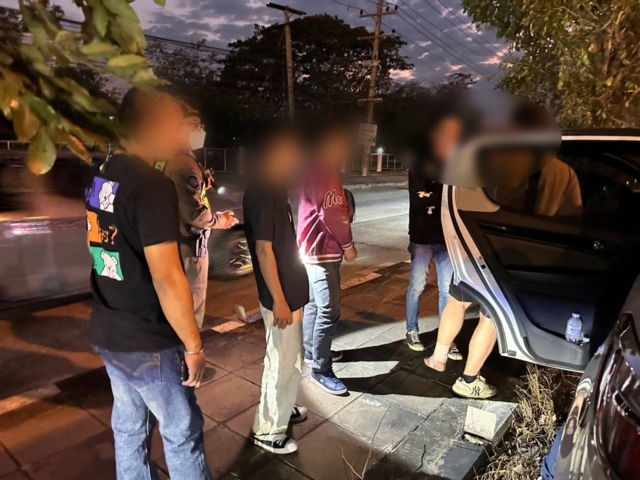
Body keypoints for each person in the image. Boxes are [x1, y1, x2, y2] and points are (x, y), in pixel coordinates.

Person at [86, 88, 211, 479]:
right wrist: (193, 346)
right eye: (173, 126)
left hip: (110, 329)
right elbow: (167, 276)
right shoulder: (152, 185)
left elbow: (102, 248)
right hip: (149, 338)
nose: (178, 135)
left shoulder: (102, 174)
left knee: (129, 429)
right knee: (182, 433)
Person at [243, 125, 309, 455]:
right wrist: (280, 300)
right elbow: (263, 250)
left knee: (291, 358)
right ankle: (269, 429)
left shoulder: (275, 186)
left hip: (292, 291)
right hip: (281, 296)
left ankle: (284, 405)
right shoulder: (261, 191)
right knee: (281, 361)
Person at [160, 112, 237, 328]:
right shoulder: (184, 165)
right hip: (189, 245)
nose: (200, 130)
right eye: (194, 125)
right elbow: (193, 213)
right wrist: (222, 220)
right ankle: (190, 346)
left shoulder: (167, 158)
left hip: (173, 240)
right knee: (191, 303)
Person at [297, 125, 357, 395]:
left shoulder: (315, 169)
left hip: (312, 251)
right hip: (322, 252)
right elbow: (332, 214)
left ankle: (312, 352)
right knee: (329, 310)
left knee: (314, 304)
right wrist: (348, 245)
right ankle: (321, 369)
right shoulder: (324, 172)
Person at [405, 115, 459, 359]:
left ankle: (446, 339)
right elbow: (419, 200)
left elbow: (457, 197)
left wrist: (432, 197)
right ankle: (411, 330)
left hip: (447, 238)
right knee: (417, 285)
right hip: (422, 237)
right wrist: (438, 196)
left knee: (447, 291)